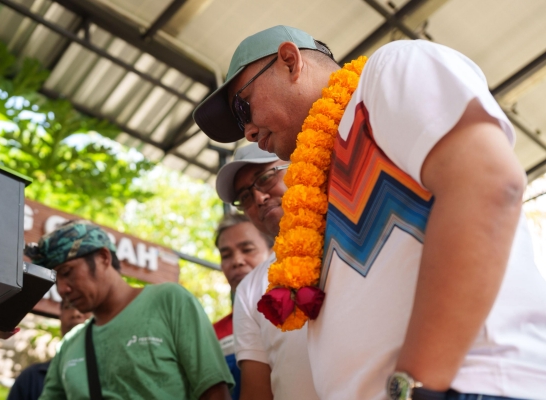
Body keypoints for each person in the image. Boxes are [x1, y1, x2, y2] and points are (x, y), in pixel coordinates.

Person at [194, 25, 546, 400]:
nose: (246, 131)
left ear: (289, 61)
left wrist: (416, 384)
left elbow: (488, 183)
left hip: (470, 386)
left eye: (242, 107)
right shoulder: (315, 192)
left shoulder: (387, 72)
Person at [29, 220, 234, 399]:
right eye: (57, 278)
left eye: (67, 272)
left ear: (103, 258)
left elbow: (214, 391)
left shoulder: (169, 300)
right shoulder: (69, 345)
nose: (62, 288)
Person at [215, 143, 319, 400]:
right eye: (245, 197)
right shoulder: (251, 289)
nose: (259, 198)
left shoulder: (349, 230)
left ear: (297, 166)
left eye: (265, 178)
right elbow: (256, 391)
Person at [212, 213, 273, 400]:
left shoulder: (304, 308)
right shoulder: (212, 335)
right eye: (226, 255)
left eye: (247, 249)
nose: (237, 261)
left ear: (273, 252)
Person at [7, 299, 92, 400]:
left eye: (85, 307)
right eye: (68, 307)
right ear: (60, 316)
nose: (75, 313)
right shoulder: (31, 377)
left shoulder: (109, 371)